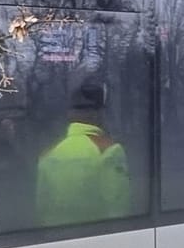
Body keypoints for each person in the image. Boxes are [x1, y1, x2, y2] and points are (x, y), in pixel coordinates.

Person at [36, 75, 131, 228]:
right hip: (96, 240)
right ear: (98, 114)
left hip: (56, 242)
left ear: (70, 115)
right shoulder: (109, 151)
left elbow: (42, 209)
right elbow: (118, 208)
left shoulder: (48, 154)